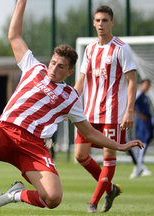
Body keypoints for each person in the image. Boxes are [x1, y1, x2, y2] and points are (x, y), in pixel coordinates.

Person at [0, 0, 143, 212]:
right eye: (53, 62)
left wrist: (120, 146)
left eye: (60, 67)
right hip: (5, 133)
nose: (53, 69)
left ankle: (16, 194)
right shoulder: (33, 67)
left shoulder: (70, 97)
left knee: (53, 198)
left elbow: (90, 133)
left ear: (69, 73)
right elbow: (14, 35)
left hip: (33, 147)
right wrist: (21, 2)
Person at [73, 5, 137, 213]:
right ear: (94, 23)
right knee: (80, 156)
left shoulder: (121, 48)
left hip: (113, 114)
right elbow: (82, 79)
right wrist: (70, 103)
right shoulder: (89, 49)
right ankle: (110, 188)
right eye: (98, 20)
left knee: (110, 156)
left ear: (112, 23)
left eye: (105, 20)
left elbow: (132, 82)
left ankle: (93, 201)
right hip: (88, 114)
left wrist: (129, 110)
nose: (101, 24)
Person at [129, 79, 153, 178]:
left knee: (147, 140)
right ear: (141, 84)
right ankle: (139, 165)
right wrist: (140, 115)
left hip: (148, 121)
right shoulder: (138, 94)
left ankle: (140, 165)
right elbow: (131, 103)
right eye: (146, 85)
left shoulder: (145, 96)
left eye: (149, 85)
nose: (147, 87)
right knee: (142, 142)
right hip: (142, 122)